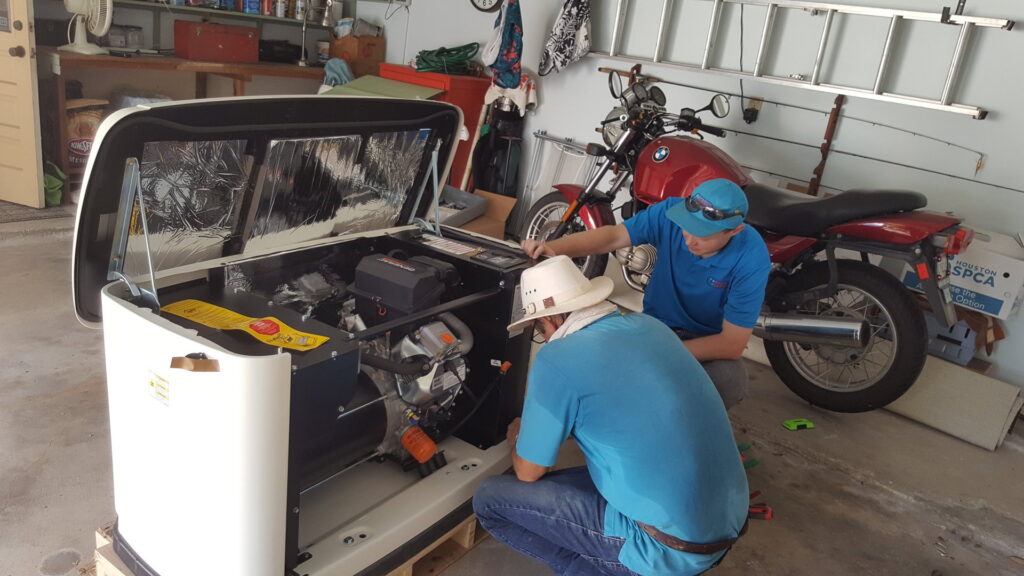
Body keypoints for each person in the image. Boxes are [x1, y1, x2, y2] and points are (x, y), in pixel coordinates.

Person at [473, 255, 749, 576]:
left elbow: (529, 472)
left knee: (490, 500)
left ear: (551, 320)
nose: (543, 338)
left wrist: (517, 438)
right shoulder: (649, 326)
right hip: (727, 523)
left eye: (539, 330)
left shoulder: (556, 358)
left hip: (667, 548)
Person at [521, 179, 770, 409]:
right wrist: (553, 248)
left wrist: (660, 355)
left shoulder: (751, 256)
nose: (690, 239)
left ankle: (678, 424)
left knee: (729, 382)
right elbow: (613, 236)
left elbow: (732, 344)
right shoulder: (669, 212)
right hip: (653, 326)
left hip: (704, 341)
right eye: (686, 227)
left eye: (703, 234)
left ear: (734, 231)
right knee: (592, 357)